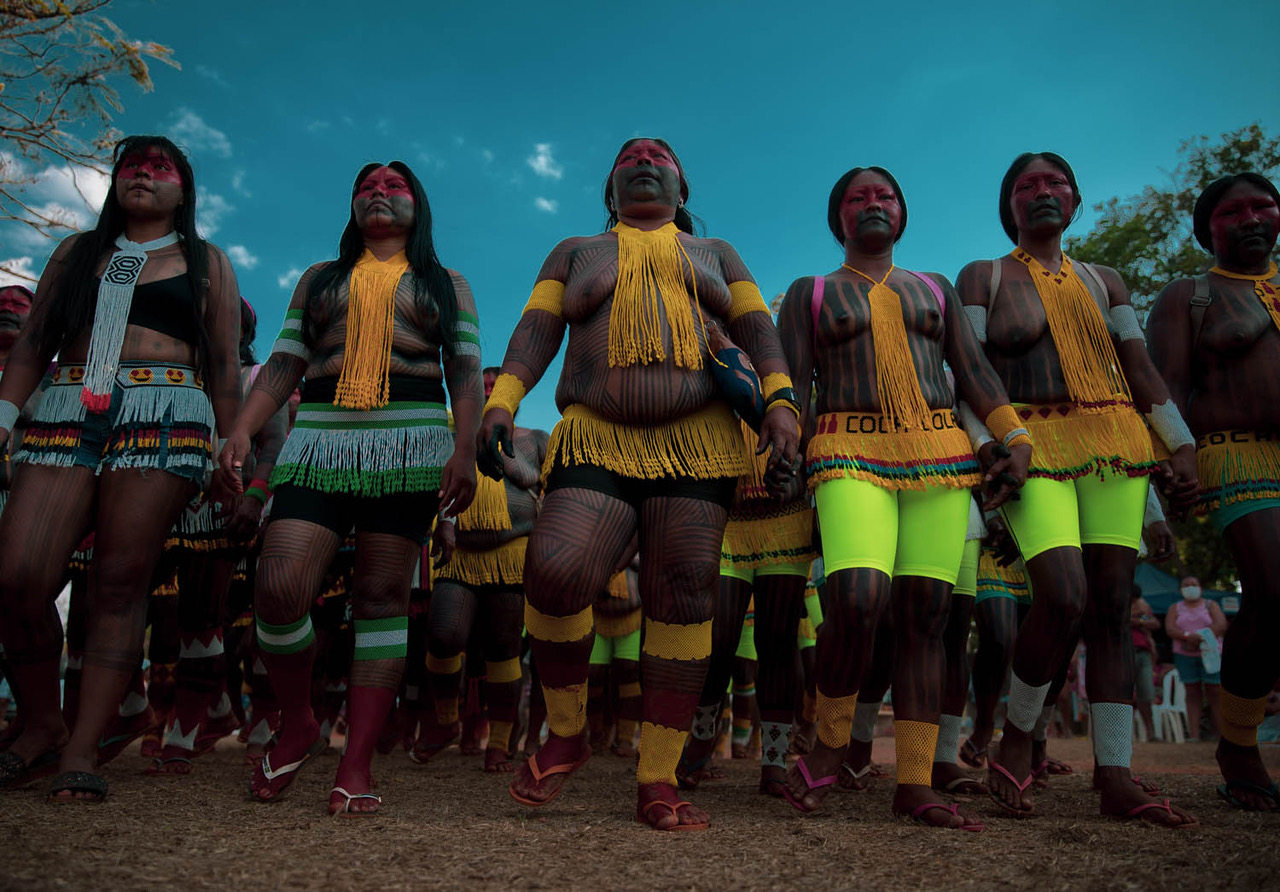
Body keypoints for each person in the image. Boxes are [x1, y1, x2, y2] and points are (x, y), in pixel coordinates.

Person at [478, 137, 799, 831]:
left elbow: (756, 327)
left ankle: (657, 777)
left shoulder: (718, 256)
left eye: (660, 156)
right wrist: (503, 399)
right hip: (599, 434)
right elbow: (537, 327)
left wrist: (780, 402)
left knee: (683, 597)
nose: (645, 162)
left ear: (683, 189)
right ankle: (566, 730)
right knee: (556, 570)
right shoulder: (574, 252)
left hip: (700, 441)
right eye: (629, 158)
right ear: (610, 189)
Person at [220, 161, 481, 815]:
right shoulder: (320, 279)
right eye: (366, 186)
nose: (378, 193)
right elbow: (285, 364)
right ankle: (300, 720)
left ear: (418, 206)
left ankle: (357, 757)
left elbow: (465, 373)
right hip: (319, 441)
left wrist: (465, 450)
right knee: (279, 588)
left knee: (381, 593)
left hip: (410, 444)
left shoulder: (447, 284)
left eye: (394, 187)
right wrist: (244, 431)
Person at [775, 165, 1026, 829]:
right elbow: (795, 385)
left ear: (903, 212)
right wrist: (783, 451)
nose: (874, 204)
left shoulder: (935, 290)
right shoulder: (812, 291)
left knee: (927, 620)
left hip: (939, 460)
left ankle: (914, 782)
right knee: (854, 598)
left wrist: (1014, 437)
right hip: (847, 452)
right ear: (839, 219)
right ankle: (832, 741)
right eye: (858, 197)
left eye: (885, 195)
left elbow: (973, 375)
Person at [955, 152, 1198, 827]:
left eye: (1055, 182)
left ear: (1075, 199)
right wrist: (990, 453)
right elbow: (971, 372)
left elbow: (1138, 364)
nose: (1042, 192)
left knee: (1112, 609)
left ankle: (1115, 773)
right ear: (1009, 206)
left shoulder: (1105, 280)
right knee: (1062, 593)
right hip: (1033, 445)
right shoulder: (984, 276)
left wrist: (1180, 444)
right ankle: (1018, 732)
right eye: (1026, 185)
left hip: (1116, 445)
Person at [0, 135, 241, 801]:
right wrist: (2, 414)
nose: (144, 173)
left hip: (166, 411)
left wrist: (233, 442)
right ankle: (42, 720)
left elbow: (223, 364)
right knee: (18, 575)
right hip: (65, 405)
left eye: (161, 167)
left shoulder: (206, 263)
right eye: (131, 165)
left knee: (119, 581)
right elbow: (32, 343)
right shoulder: (77, 253)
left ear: (182, 192)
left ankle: (83, 746)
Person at [1146, 172, 1280, 811]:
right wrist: (1177, 461)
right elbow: (1164, 387)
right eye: (1233, 212)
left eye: (1264, 205)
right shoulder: (1189, 296)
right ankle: (1238, 741)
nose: (1252, 218)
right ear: (1209, 229)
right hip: (1234, 451)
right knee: (1274, 589)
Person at [147, 298, 290, 775]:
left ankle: (188, 732)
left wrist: (252, 497)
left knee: (208, 620)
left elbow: (271, 445)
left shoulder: (259, 380)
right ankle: (213, 712)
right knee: (153, 616)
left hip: (233, 510)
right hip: (165, 503)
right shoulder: (171, 374)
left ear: (246, 332)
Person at [415, 367, 547, 773]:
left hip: (512, 553)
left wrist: (508, 459)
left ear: (514, 399)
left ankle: (500, 745)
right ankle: (445, 722)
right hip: (460, 554)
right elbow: (439, 484)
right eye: (484, 388)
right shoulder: (456, 435)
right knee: (442, 636)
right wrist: (446, 524)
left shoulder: (537, 440)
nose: (491, 394)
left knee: (504, 649)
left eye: (497, 389)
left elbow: (548, 487)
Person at [1163, 577, 1227, 742]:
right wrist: (1186, 637)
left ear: (1200, 588)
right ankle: (1194, 734)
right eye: (1186, 585)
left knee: (1215, 692)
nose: (1190, 587)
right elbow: (1170, 628)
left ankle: (1223, 734)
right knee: (1192, 693)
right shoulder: (1175, 608)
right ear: (1180, 590)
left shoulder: (1210, 605)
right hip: (1184, 655)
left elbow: (1221, 625)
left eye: (1194, 584)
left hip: (1210, 654)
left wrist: (1199, 637)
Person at [1130, 584, 1160, 740]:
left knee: (1146, 694)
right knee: (1123, 694)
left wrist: (1139, 621)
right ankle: (1125, 734)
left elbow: (1155, 623)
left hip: (1143, 652)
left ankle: (1150, 732)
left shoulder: (1144, 606)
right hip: (1123, 653)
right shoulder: (1135, 606)